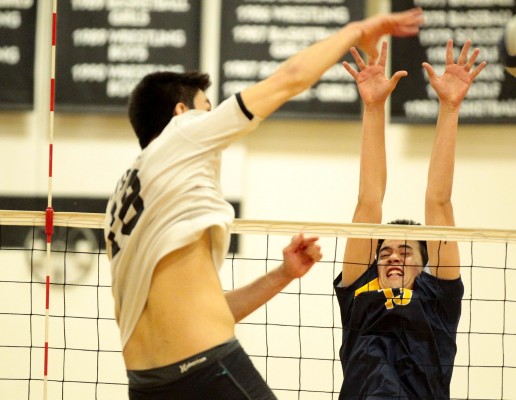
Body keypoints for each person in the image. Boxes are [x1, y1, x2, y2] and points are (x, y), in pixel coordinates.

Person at [103, 8, 426, 400]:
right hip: (206, 369)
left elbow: (205, 314)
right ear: (181, 112)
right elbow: (290, 79)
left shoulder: (124, 199)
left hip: (148, 384)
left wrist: (283, 275)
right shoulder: (185, 134)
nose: (213, 114)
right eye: (208, 106)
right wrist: (358, 30)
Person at [334, 39, 486, 399]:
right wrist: (373, 109)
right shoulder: (359, 291)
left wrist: (450, 109)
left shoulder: (439, 297)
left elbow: (439, 202)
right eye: (384, 252)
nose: (392, 257)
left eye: (405, 251)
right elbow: (368, 202)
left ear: (426, 263)